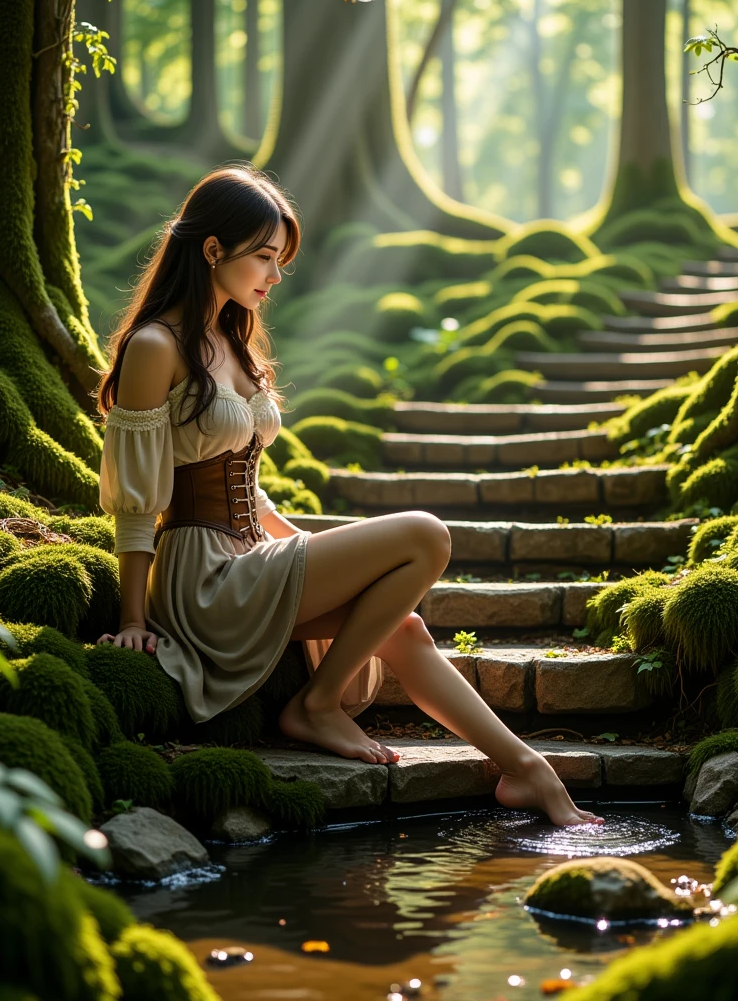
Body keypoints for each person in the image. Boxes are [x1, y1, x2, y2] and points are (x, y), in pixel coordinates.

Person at [96, 164, 601, 827]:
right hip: (204, 582)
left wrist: (301, 547)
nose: (275, 277)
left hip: (250, 560)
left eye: (281, 261)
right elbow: (138, 499)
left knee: (407, 628)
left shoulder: (231, 341)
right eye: (266, 258)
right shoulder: (155, 347)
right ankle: (316, 705)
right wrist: (134, 622)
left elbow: (249, 483)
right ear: (213, 250)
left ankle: (527, 771)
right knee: (426, 534)